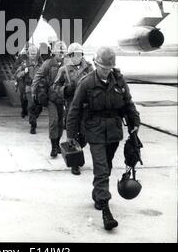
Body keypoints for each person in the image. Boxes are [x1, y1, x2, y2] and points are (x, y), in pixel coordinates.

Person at [66, 46, 141, 231]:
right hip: (95, 130)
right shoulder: (87, 82)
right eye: (102, 67)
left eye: (109, 68)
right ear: (96, 64)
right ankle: (106, 210)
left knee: (106, 166)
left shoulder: (119, 80)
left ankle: (97, 193)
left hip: (114, 131)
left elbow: (128, 103)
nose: (106, 70)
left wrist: (135, 122)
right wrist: (70, 136)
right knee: (101, 168)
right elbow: (74, 110)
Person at [53, 42, 93, 175]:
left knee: (84, 136)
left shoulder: (89, 68)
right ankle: (75, 163)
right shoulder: (63, 69)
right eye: (74, 54)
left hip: (86, 107)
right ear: (69, 55)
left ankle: (77, 151)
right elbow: (55, 87)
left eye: (79, 54)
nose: (77, 57)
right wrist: (65, 90)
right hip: (71, 107)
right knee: (72, 135)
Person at [32, 40, 67, 157]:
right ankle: (53, 147)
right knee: (54, 121)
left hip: (62, 97)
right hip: (51, 97)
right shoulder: (48, 63)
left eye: (62, 53)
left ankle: (57, 144)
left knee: (61, 122)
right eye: (59, 53)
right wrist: (33, 91)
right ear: (54, 53)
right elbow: (38, 76)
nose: (61, 55)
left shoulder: (67, 64)